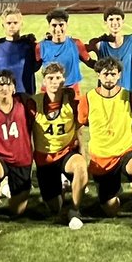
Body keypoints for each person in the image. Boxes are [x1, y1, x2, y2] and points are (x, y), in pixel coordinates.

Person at [77, 57, 132, 232]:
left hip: (125, 152)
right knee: (111, 210)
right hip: (102, 159)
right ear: (98, 74)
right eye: (105, 74)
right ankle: (114, 194)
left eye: (113, 74)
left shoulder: (129, 97)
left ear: (119, 75)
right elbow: (80, 123)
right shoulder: (88, 99)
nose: (109, 78)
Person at [30, 63, 88, 229]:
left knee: (80, 166)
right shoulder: (35, 103)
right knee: (55, 209)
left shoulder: (71, 100)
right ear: (44, 82)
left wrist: (82, 151)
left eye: (57, 78)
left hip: (66, 154)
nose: (54, 81)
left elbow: (80, 126)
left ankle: (76, 210)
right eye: (50, 78)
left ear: (64, 80)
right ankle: (62, 186)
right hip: (45, 160)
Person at [0, 70, 35, 242]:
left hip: (21, 159)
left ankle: (4, 188)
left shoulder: (24, 102)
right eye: (0, 83)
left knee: (17, 211)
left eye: (8, 83)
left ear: (14, 88)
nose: (4, 87)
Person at [37, 8, 93, 93]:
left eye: (61, 25)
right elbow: (33, 67)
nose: (58, 29)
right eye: (54, 25)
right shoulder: (41, 46)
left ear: (67, 25)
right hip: (48, 91)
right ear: (49, 26)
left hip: (71, 90)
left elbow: (90, 63)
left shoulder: (76, 44)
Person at [89, 7, 132, 93]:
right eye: (111, 19)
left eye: (118, 19)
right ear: (105, 22)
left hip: (127, 93)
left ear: (123, 21)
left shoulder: (131, 41)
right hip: (106, 94)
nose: (115, 23)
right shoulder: (99, 44)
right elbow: (83, 52)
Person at [0, 7, 40, 94]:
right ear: (3, 25)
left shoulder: (29, 45)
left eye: (15, 23)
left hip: (25, 94)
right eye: (8, 23)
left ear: (21, 24)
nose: (12, 26)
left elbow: (36, 66)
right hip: (4, 95)